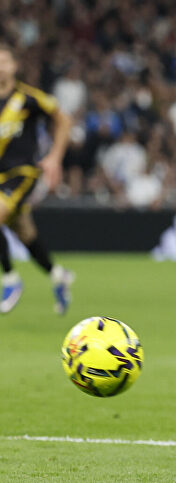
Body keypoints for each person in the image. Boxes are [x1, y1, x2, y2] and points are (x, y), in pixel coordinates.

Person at [0, 44, 74, 315]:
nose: (0, 66)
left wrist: (54, 157)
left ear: (14, 66)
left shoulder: (28, 98)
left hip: (22, 173)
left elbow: (63, 120)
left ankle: (9, 279)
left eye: (5, 60)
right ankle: (58, 276)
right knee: (25, 232)